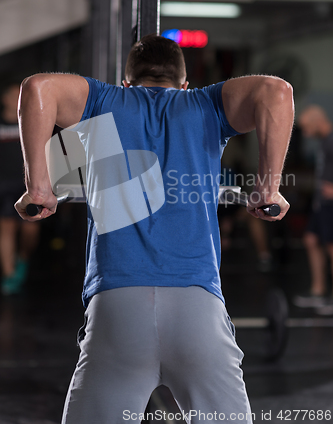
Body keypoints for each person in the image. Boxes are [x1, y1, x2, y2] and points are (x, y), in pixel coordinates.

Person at [15, 35, 293, 424]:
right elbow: (276, 91)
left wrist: (39, 188)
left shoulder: (103, 102)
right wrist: (270, 187)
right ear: (184, 84)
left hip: (117, 307)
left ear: (127, 83)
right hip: (198, 308)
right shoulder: (204, 104)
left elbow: (37, 88)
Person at [0, 82, 40, 295]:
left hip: (29, 185)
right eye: (14, 95)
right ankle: (8, 275)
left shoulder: (33, 121)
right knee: (6, 228)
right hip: (3, 185)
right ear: (4, 99)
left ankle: (22, 260)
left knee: (30, 230)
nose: (18, 100)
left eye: (21, 96)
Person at [294, 105, 333, 315]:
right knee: (310, 239)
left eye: (307, 128)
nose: (306, 134)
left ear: (318, 122)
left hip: (330, 203)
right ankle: (318, 291)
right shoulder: (324, 142)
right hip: (322, 204)